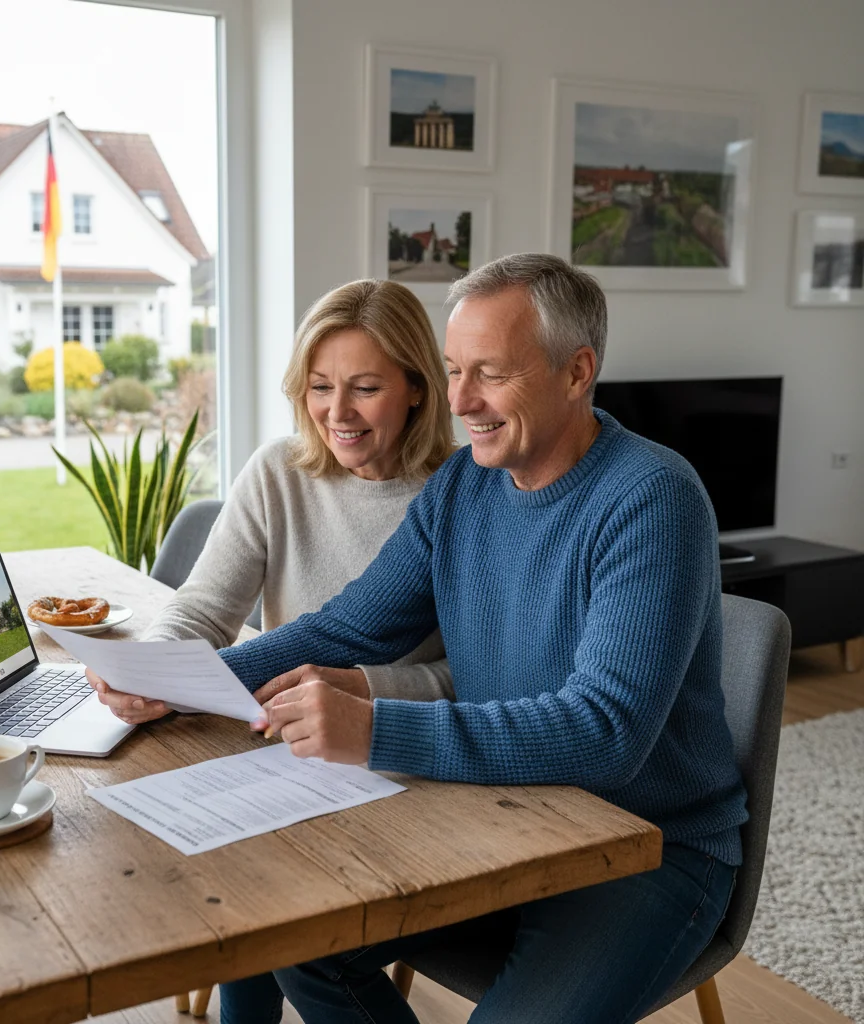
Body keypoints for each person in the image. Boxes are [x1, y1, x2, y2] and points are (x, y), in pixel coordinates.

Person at [214, 254, 748, 1024]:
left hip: (646, 849)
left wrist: (375, 729)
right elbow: (349, 625)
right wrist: (189, 679)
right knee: (301, 941)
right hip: (502, 815)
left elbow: (607, 733)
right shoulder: (463, 485)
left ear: (577, 371)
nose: (460, 400)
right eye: (454, 369)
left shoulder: (651, 498)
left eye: (489, 373)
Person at [85, 277, 456, 1024]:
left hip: (410, 766)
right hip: (286, 753)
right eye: (320, 387)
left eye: (365, 388)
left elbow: (470, 675)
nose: (336, 413)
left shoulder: (460, 493)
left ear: (417, 388)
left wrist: (361, 694)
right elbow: (203, 608)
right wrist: (155, 668)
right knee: (226, 891)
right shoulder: (279, 471)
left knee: (271, 916)